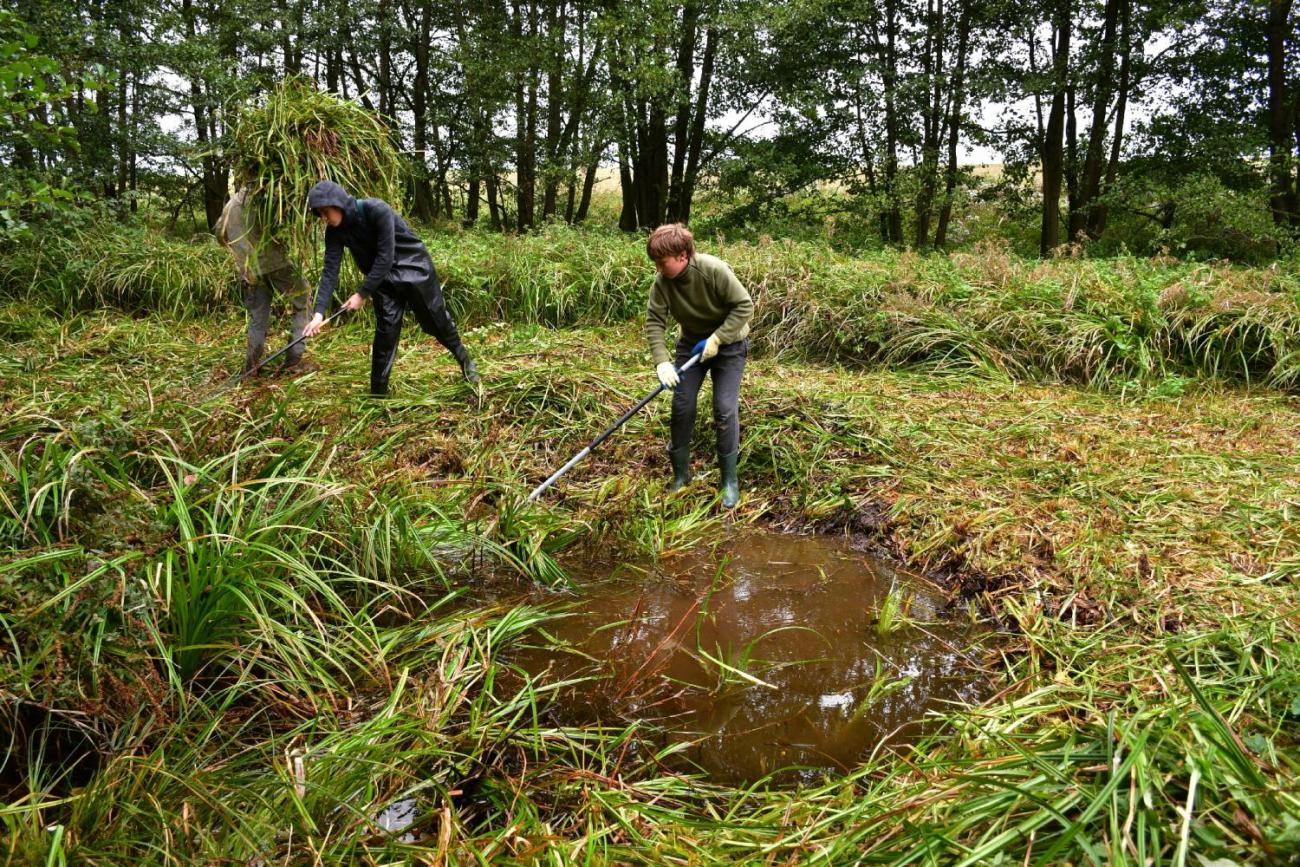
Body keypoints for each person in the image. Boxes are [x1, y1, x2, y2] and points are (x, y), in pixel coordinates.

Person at [302, 179, 479, 393]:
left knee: (436, 322)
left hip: (413, 268)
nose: (324, 218)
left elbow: (386, 257)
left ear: (337, 203)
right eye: (319, 213)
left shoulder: (376, 210)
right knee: (385, 335)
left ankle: (466, 362)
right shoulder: (335, 233)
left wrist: (361, 294)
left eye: (325, 212)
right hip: (382, 281)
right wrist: (319, 313)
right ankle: (378, 393)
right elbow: (330, 271)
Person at [644, 223, 754, 508]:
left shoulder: (712, 270)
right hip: (691, 346)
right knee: (682, 405)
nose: (658, 268)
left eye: (661, 262)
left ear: (682, 255)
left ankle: (729, 481)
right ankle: (681, 476)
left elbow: (744, 306)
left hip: (729, 347)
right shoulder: (663, 283)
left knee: (724, 408)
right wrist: (661, 363)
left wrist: (717, 338)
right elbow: (655, 322)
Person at [215, 185, 312, 375]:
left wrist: (241, 251)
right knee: (303, 298)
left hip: (249, 270)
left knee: (258, 317)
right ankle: (294, 360)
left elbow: (220, 233)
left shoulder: (232, 204)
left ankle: (251, 368)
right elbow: (282, 223)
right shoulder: (264, 197)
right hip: (275, 263)